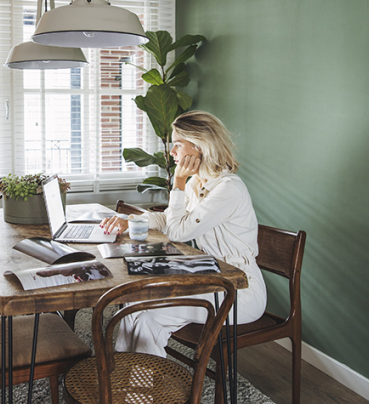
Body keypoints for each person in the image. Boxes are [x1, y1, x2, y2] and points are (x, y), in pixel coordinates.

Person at [99, 110, 266, 357]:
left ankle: (146, 392)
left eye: (177, 145)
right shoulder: (197, 183)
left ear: (200, 146)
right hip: (210, 276)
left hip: (240, 290)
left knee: (150, 318)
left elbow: (177, 232)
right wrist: (129, 220)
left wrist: (177, 183)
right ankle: (122, 380)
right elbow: (169, 219)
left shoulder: (228, 189)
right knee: (133, 306)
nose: (172, 152)